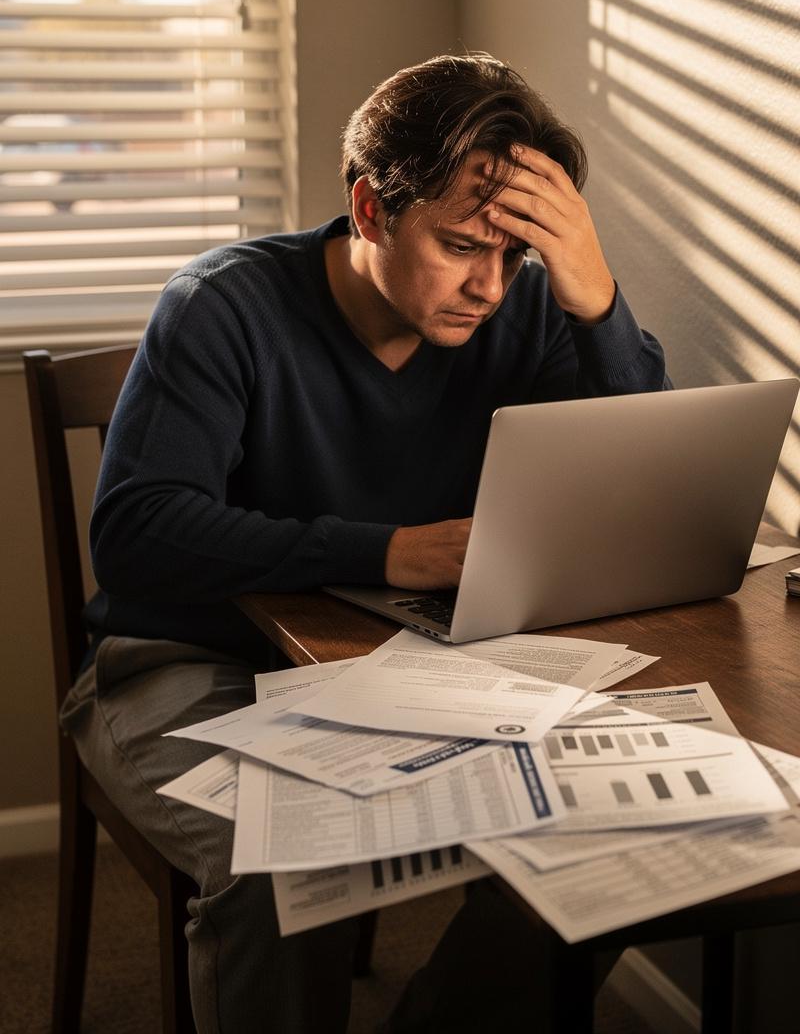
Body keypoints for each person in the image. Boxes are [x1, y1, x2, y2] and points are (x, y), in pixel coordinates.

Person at [62, 53, 669, 1033]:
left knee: (600, 829)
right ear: (371, 209)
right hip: (181, 660)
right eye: (462, 246)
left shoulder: (521, 309)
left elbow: (639, 483)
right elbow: (138, 534)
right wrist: (388, 551)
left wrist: (592, 297)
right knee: (279, 858)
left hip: (405, 674)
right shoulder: (222, 305)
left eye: (514, 255)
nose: (488, 285)